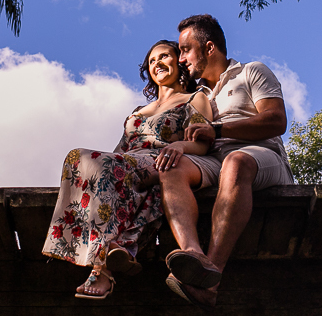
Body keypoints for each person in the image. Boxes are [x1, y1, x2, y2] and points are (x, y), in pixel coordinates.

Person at [41, 39, 213, 300]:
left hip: (162, 159)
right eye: (152, 61)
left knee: (98, 163)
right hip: (128, 162)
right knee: (79, 160)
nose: (157, 63)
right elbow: (120, 150)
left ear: (179, 62)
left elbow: (203, 143)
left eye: (164, 56)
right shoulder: (138, 111)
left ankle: (100, 267)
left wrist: (179, 146)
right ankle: (115, 250)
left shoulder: (194, 98)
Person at [158, 14, 294, 308]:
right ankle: (194, 256)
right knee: (171, 166)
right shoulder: (195, 95)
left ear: (209, 48)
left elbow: (276, 120)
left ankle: (212, 279)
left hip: (261, 155)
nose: (181, 59)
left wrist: (218, 130)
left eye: (185, 50)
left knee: (235, 161)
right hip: (214, 162)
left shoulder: (251, 71)